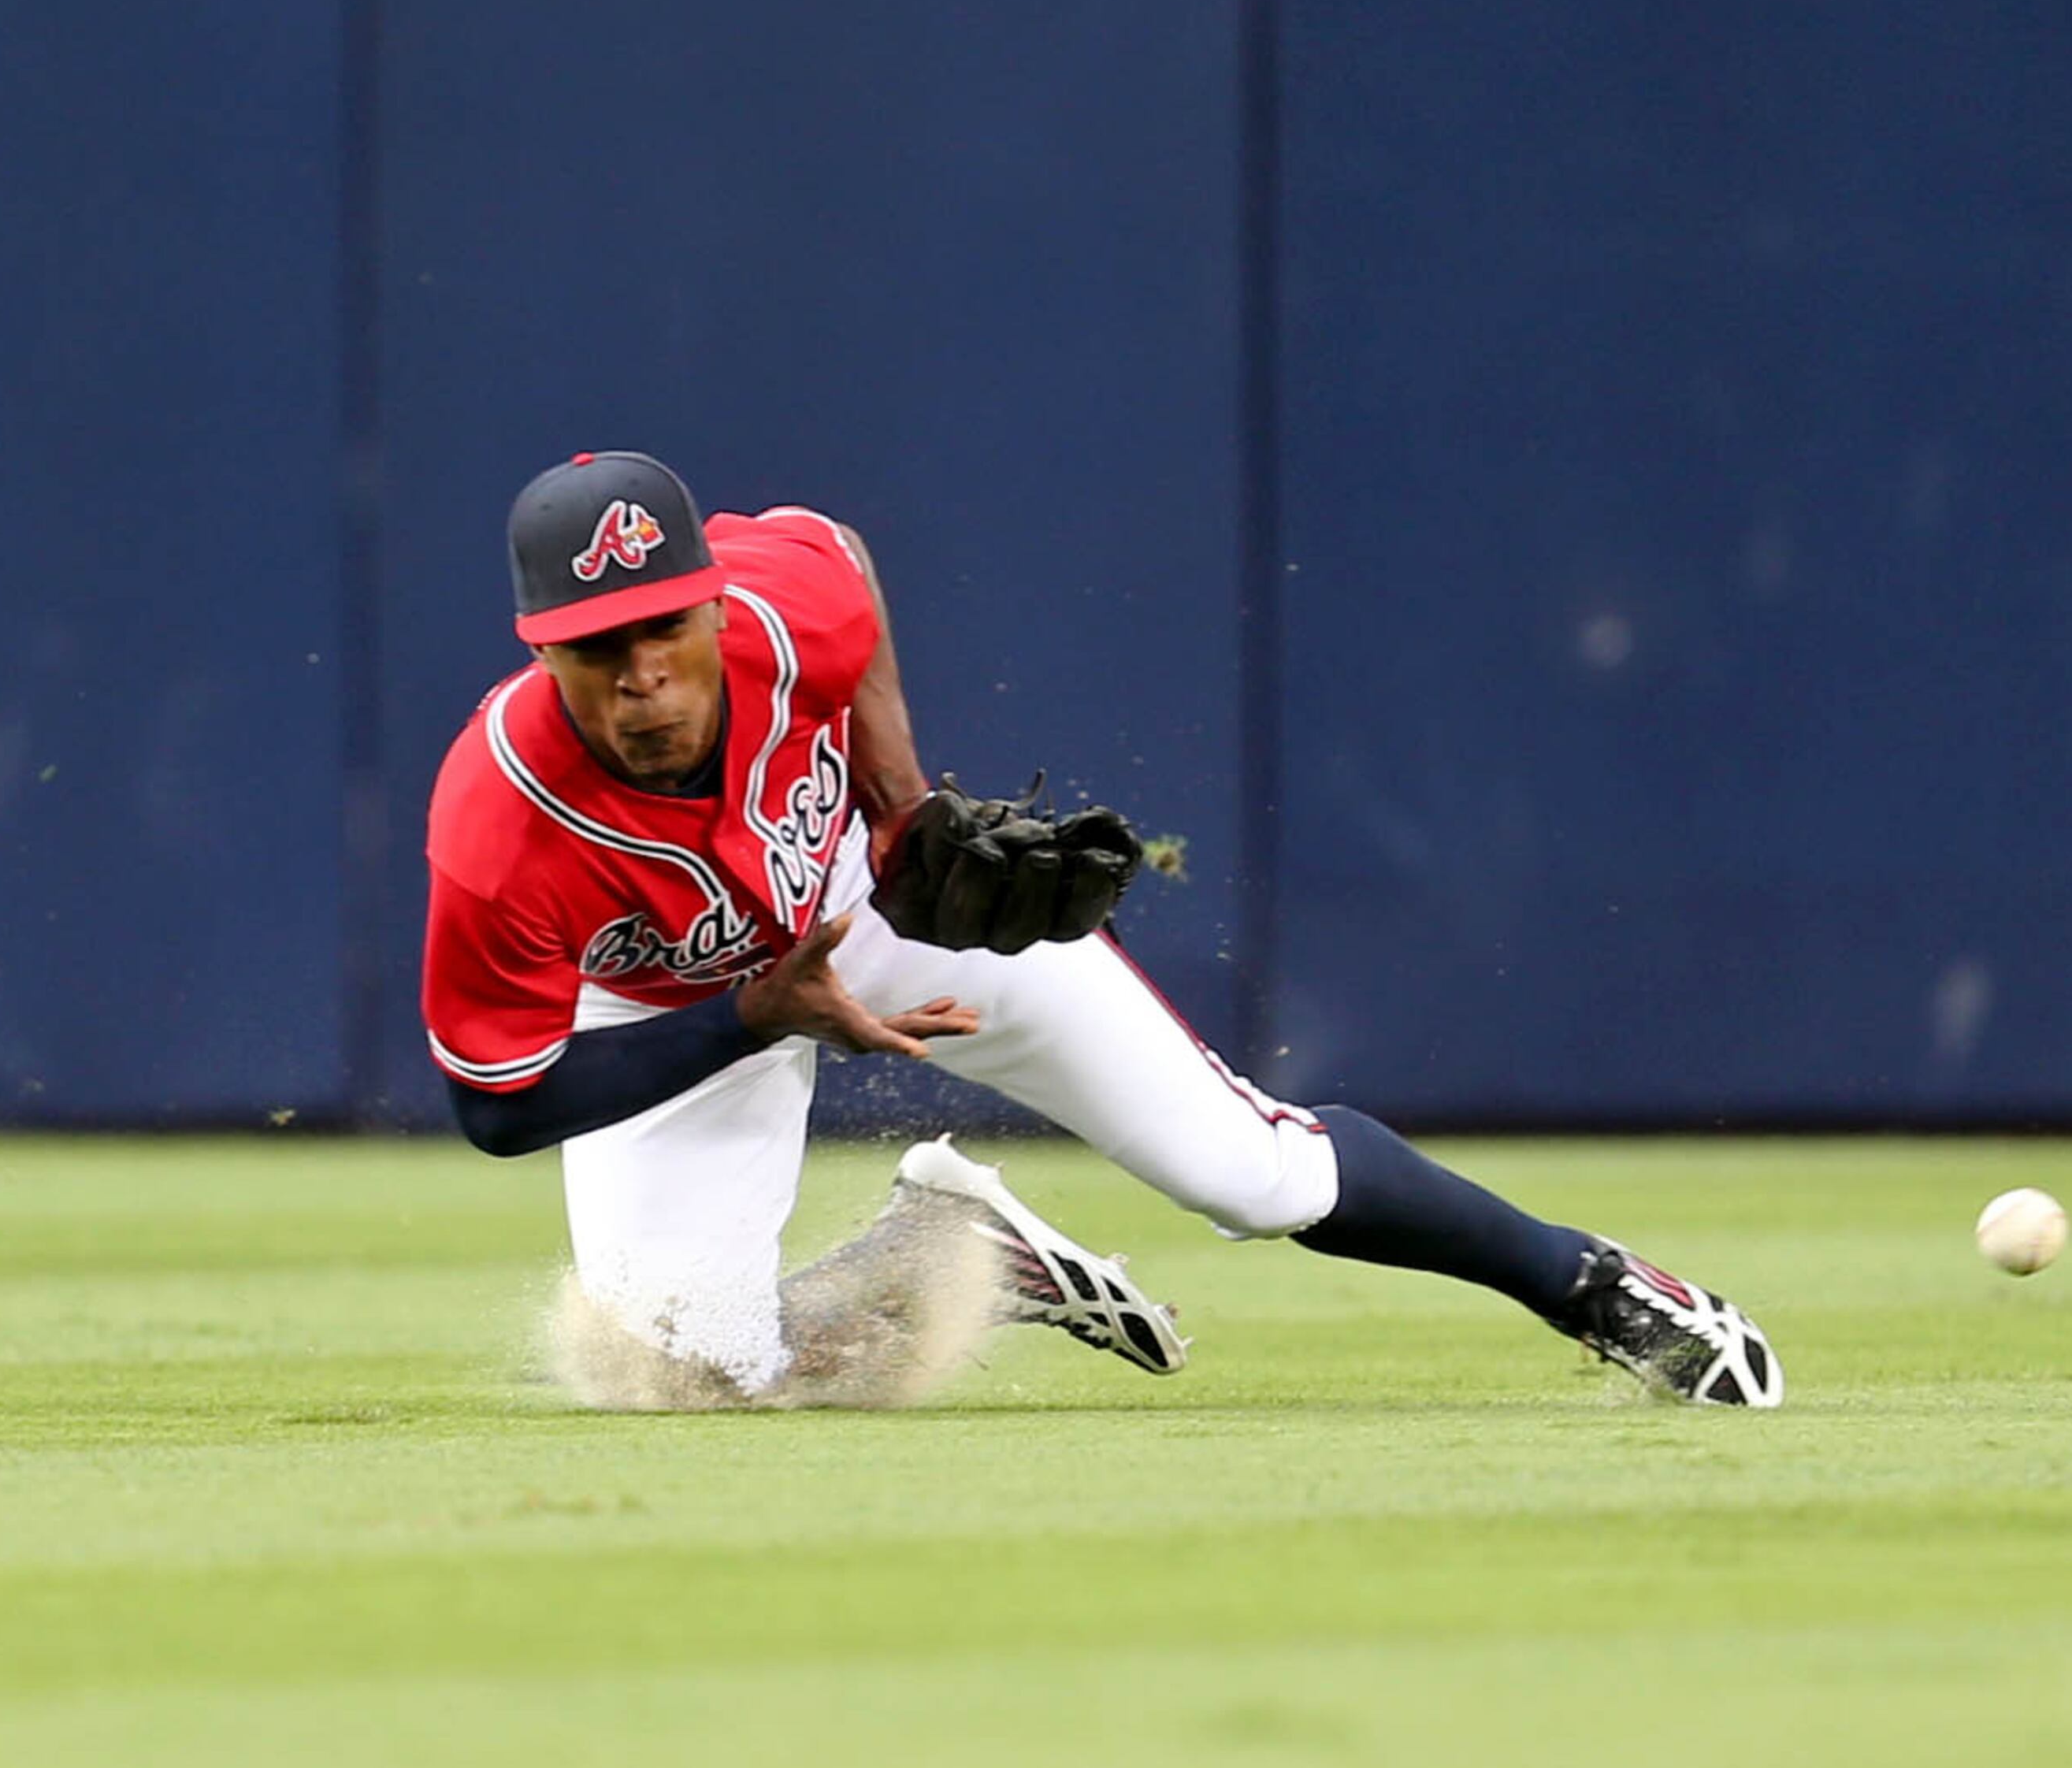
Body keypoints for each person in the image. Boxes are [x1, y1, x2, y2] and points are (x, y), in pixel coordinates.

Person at [421, 451, 1781, 1408]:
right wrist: (745, 1019)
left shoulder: (784, 616)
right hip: (674, 1017)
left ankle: (1598, 1289)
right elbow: (498, 1106)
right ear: (541, 649)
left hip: (866, 909)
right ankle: (965, 1261)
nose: (644, 672)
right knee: (689, 1368)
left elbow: (840, 554)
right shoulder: (500, 820)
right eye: (599, 646)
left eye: (666, 624)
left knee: (1254, 1178)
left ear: (714, 603)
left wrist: (901, 806)